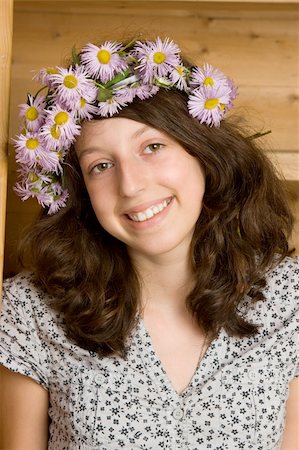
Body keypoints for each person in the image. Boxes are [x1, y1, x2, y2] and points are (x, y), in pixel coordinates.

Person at [0, 36, 298, 450]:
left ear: (203, 153)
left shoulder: (289, 296)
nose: (132, 185)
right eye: (101, 166)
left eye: (153, 147)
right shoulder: (29, 309)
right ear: (82, 193)